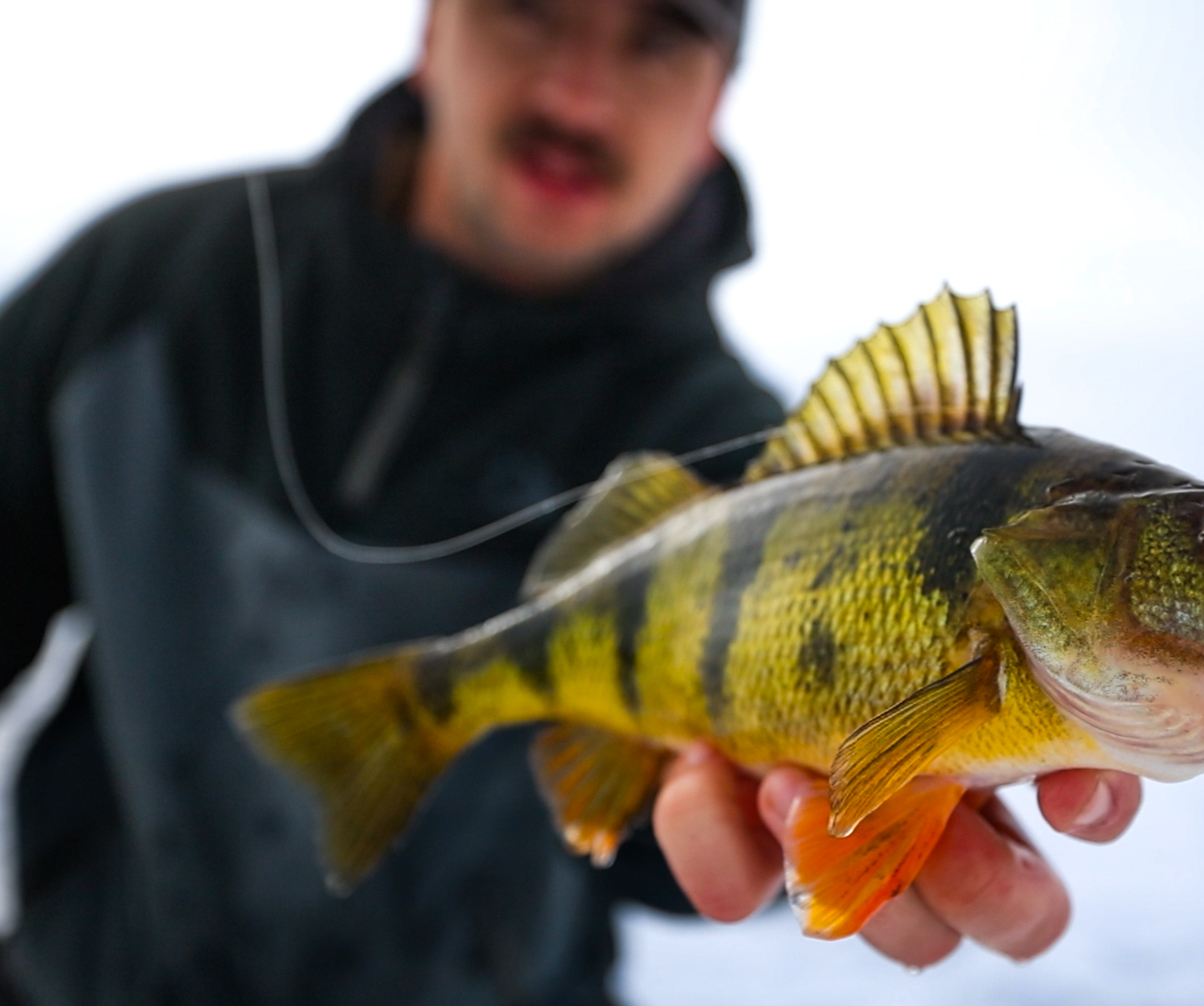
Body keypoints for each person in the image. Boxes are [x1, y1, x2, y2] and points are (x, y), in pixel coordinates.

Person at [0, 0, 1142, 1002]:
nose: (580, 89)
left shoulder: (749, 457)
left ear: (713, 109)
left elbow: (668, 828)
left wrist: (801, 812)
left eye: (657, 37)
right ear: (432, 27)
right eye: (532, 8)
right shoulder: (157, 280)